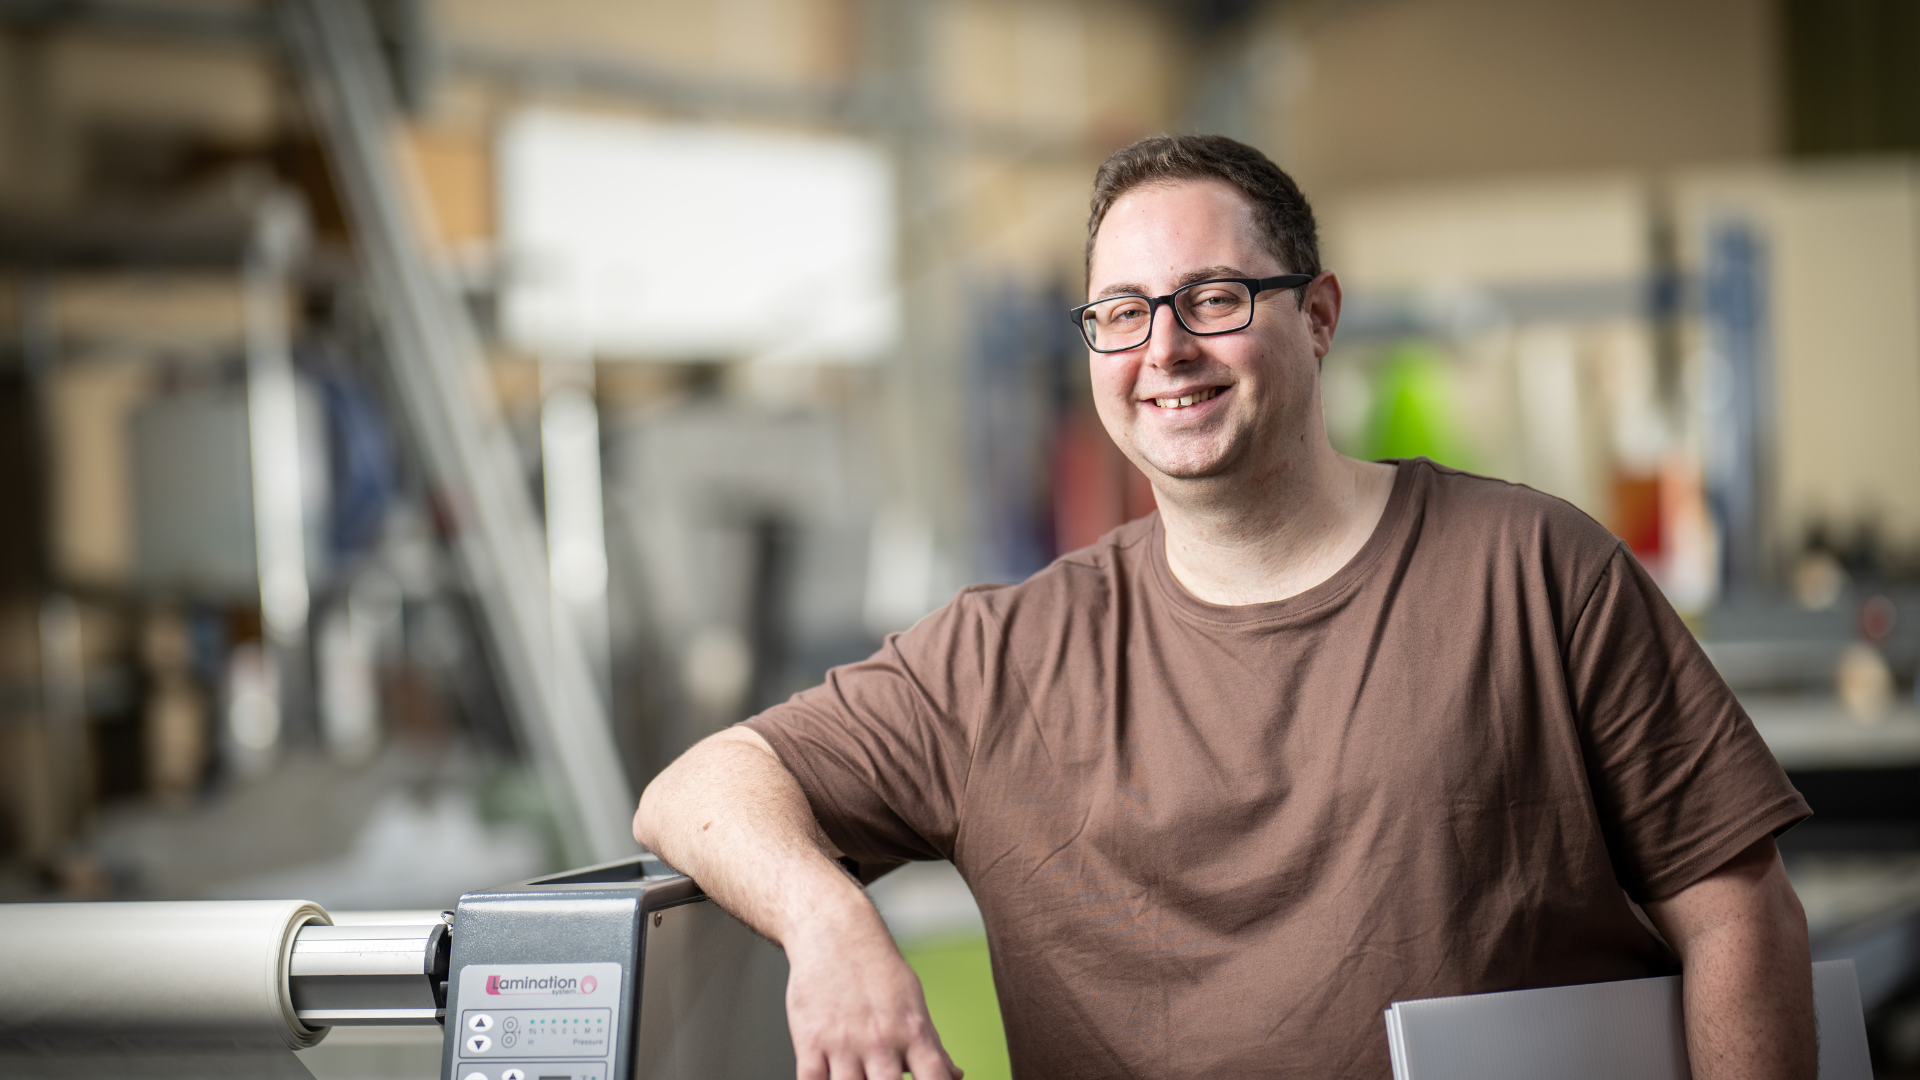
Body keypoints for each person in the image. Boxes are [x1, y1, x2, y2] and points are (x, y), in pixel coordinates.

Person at [634, 134, 1815, 1080]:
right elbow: (696, 790)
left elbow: (1738, 920)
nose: (1166, 350)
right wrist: (829, 924)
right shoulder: (1002, 659)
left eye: (1212, 298)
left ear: (1317, 315)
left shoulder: (1533, 570)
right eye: (1124, 312)